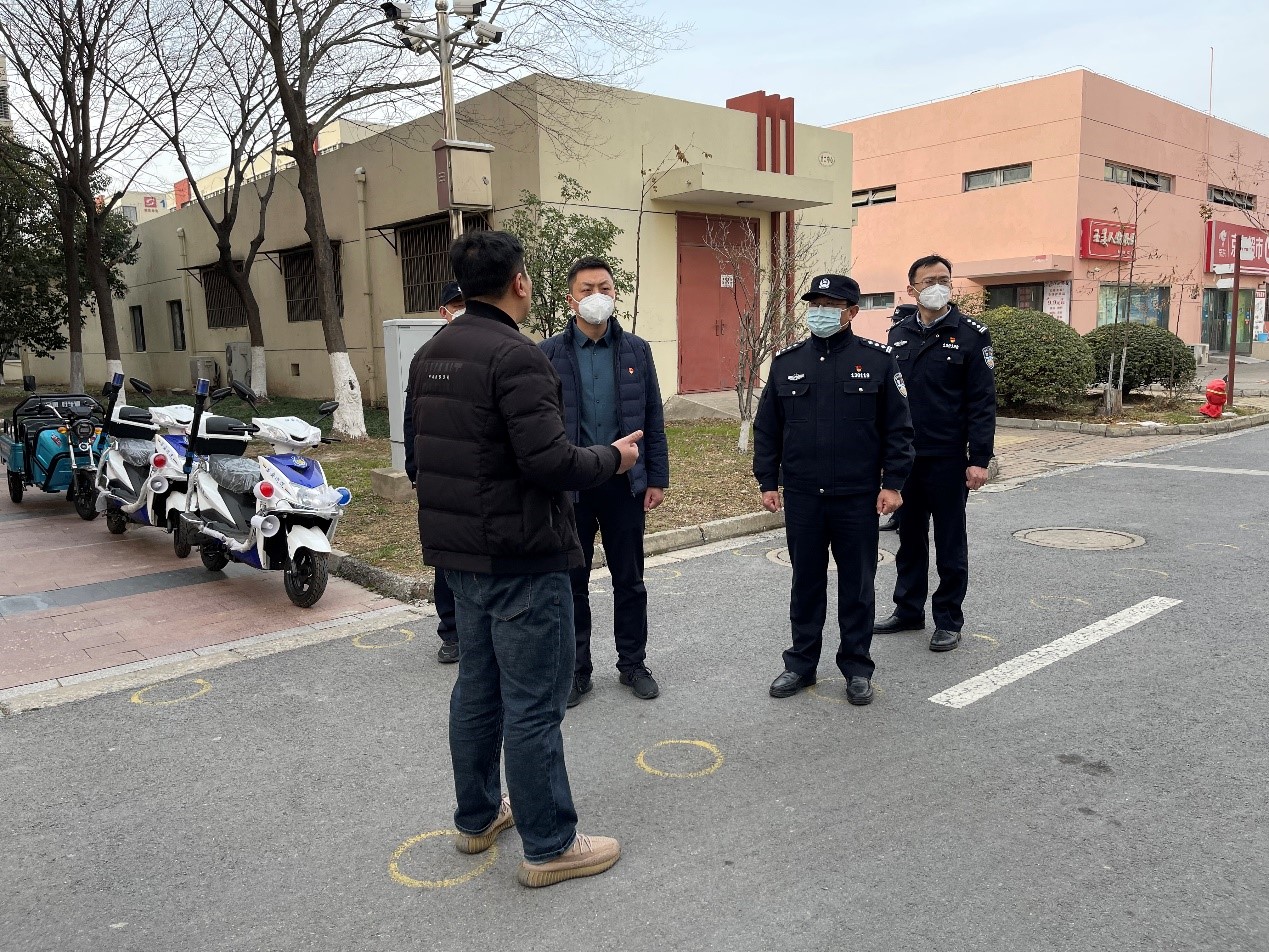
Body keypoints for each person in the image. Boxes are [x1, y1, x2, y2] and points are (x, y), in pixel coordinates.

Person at [410, 230, 644, 888]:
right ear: (520, 282)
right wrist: (614, 457)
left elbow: (423, 456)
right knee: (533, 705)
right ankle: (550, 844)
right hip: (522, 558)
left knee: (477, 689)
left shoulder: (432, 352)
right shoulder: (517, 355)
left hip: (460, 557)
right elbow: (549, 462)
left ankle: (478, 816)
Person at [754, 274, 914, 705]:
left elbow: (899, 429)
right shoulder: (787, 362)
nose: (820, 312)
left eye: (830, 305)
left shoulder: (877, 360)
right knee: (805, 583)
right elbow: (767, 428)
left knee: (857, 585)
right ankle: (800, 664)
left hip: (857, 497)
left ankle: (857, 667)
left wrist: (893, 484)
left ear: (852, 312)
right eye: (815, 304)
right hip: (804, 495)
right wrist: (768, 480)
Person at [539, 256, 670, 708]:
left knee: (629, 580)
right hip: (571, 486)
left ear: (615, 295)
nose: (597, 296)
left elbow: (652, 417)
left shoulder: (636, 350)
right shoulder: (547, 354)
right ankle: (577, 671)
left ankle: (633, 663)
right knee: (571, 583)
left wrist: (656, 477)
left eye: (606, 288)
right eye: (587, 289)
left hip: (624, 485)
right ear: (570, 299)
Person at [874, 255, 996, 652]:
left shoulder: (972, 335)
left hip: (947, 458)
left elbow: (982, 403)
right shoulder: (899, 333)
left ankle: (948, 619)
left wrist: (979, 459)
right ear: (912, 289)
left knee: (949, 540)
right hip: (907, 459)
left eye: (944, 279)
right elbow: (889, 399)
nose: (938, 286)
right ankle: (908, 609)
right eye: (929, 281)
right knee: (909, 538)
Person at [404, 280, 465, 663]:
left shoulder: (491, 348)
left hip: (479, 474)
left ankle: (481, 630)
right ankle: (451, 632)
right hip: (439, 475)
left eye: (466, 302)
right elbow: (412, 419)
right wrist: (415, 470)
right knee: (446, 557)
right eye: (456, 305)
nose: (462, 309)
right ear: (443, 312)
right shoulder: (426, 357)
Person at [880, 303, 918, 533]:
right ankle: (898, 517)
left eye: (899, 320)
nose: (895, 324)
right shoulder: (896, 337)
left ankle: (906, 518)